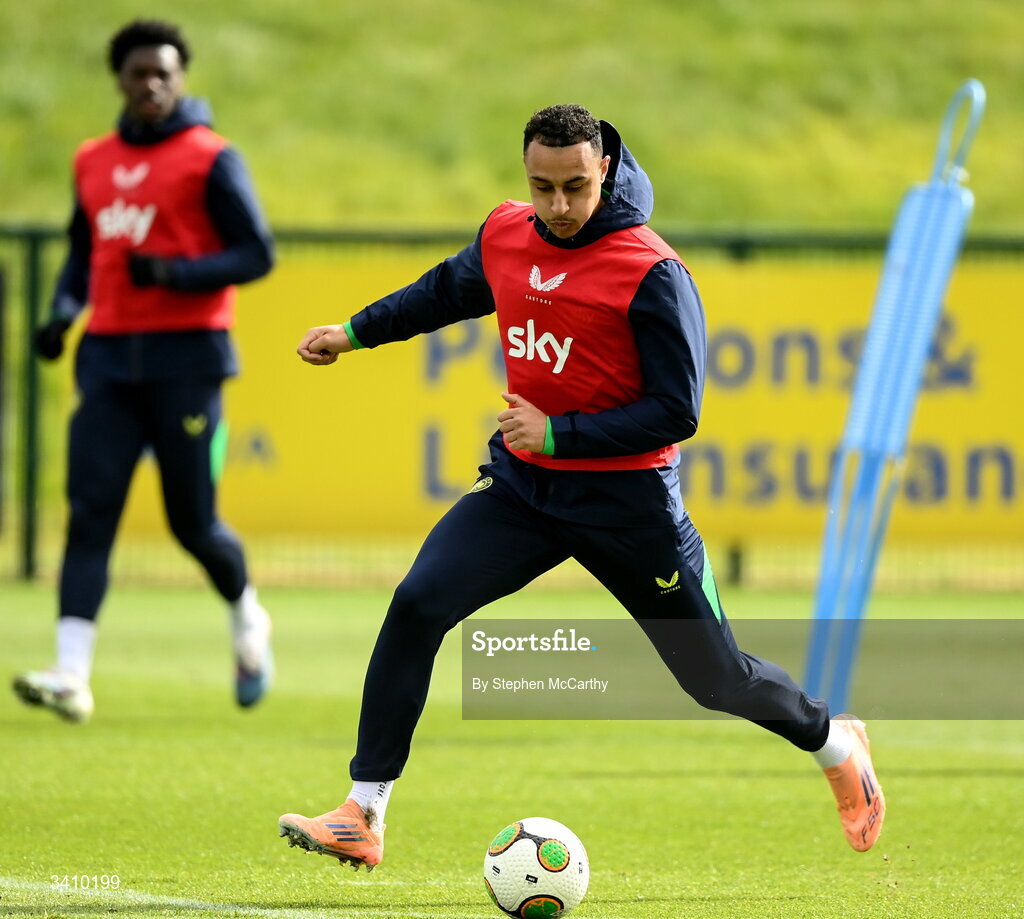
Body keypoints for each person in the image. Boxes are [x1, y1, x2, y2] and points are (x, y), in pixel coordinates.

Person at [279, 104, 884, 870]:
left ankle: (835, 739)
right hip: (524, 491)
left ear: (605, 170)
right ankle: (362, 812)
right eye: (543, 187)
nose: (559, 207)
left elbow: (678, 409)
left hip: (630, 506)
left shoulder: (652, 270)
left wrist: (560, 432)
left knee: (715, 679)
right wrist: (355, 331)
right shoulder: (506, 232)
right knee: (418, 601)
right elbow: (444, 291)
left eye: (575, 187)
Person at [12, 19, 275, 723]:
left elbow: (256, 253)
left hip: (187, 359)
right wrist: (63, 312)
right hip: (107, 361)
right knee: (91, 511)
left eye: (164, 72)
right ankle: (72, 674)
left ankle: (249, 618)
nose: (151, 84)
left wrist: (175, 272)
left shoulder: (211, 158)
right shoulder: (92, 160)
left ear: (181, 76)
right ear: (119, 80)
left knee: (192, 523)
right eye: (138, 73)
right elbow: (80, 252)